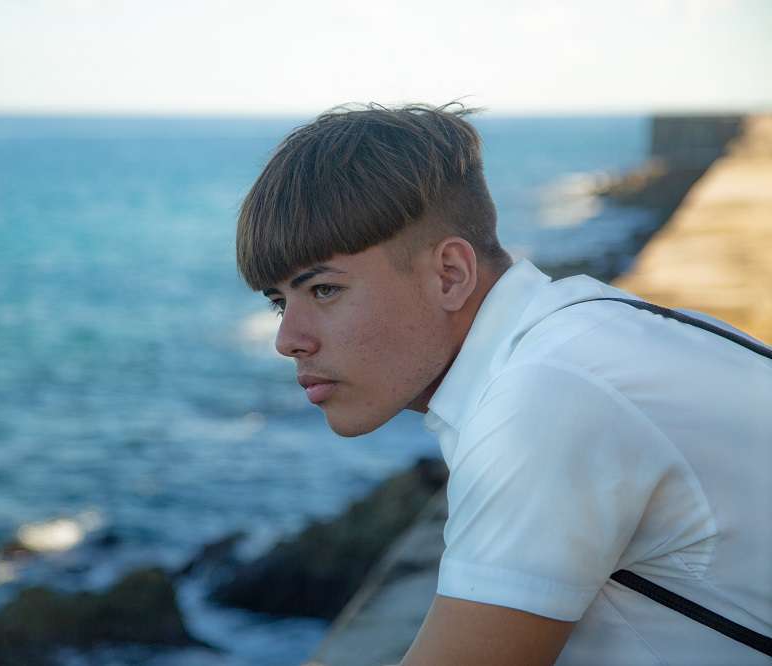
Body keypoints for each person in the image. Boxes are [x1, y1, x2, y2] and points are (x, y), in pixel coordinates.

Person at [235, 103, 772, 665]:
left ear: (450, 274)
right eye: (279, 303)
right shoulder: (584, 334)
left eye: (322, 290)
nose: (288, 339)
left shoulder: (548, 395)